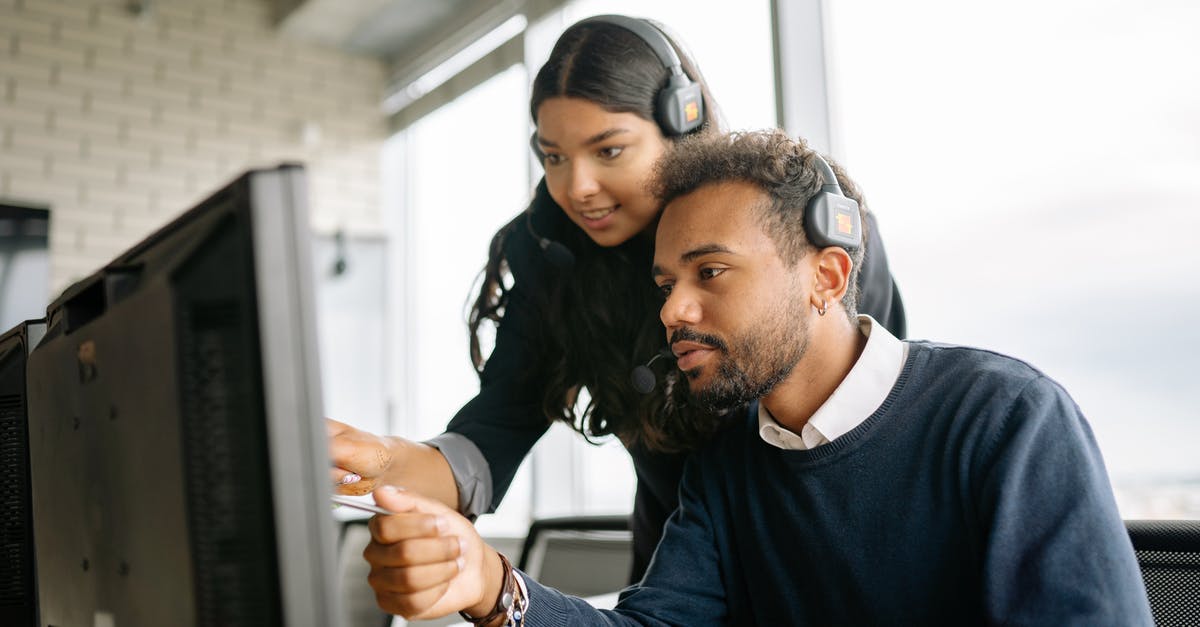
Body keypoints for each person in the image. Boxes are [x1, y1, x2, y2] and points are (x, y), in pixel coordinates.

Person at [359, 129, 1154, 625]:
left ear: (827, 276)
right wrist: (491, 583)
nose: (674, 310)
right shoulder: (728, 459)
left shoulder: (1007, 421)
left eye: (711, 271)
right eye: (668, 283)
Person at [329, 15, 906, 582]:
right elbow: (493, 433)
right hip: (673, 574)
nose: (576, 187)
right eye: (553, 156)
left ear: (682, 126)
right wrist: (379, 462)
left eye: (608, 151)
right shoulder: (552, 256)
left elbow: (880, 423)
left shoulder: (810, 234)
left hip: (821, 554)